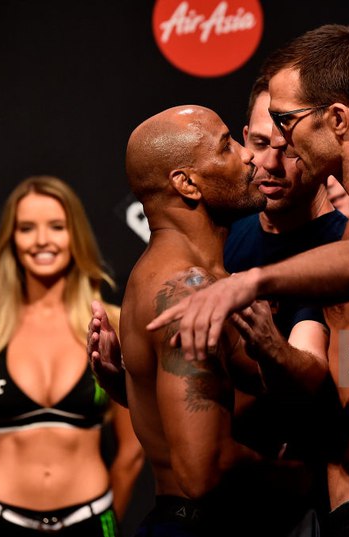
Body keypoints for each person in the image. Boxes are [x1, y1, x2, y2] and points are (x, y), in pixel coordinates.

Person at [147, 24, 349, 537]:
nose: (279, 140)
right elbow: (327, 386)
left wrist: (247, 283)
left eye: (287, 120)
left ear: (339, 120)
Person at [116, 104, 332, 537]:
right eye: (227, 146)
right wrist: (303, 479)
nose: (249, 156)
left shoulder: (195, 278)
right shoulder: (185, 289)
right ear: (187, 183)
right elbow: (203, 469)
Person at [0, 176, 144, 536]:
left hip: (93, 518)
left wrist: (106, 520)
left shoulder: (110, 324)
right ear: (12, 238)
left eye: (57, 227)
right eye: (27, 228)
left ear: (76, 236)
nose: (42, 240)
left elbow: (132, 451)